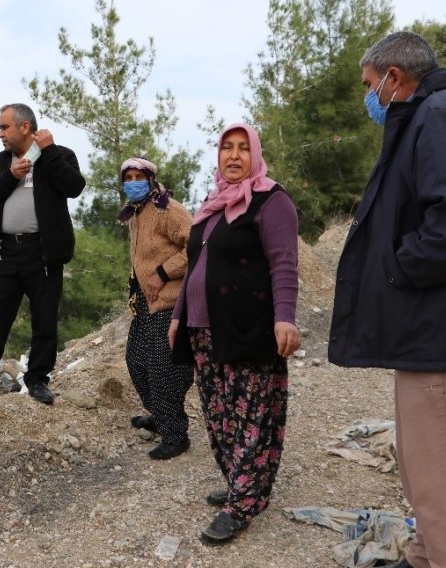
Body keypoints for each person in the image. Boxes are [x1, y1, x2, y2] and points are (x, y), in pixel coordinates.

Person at [329, 31, 446, 568]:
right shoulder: (429, 120)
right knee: (425, 468)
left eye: (370, 85)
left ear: (394, 77)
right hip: (435, 334)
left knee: (445, 479)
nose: (369, 97)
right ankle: (425, 558)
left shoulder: (443, 114)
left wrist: (401, 267)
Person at [169, 123, 301, 544]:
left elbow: (284, 263)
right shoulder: (211, 204)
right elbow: (194, 269)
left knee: (251, 417)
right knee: (220, 415)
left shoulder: (271, 201)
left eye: (244, 149)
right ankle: (241, 485)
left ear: (255, 154)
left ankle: (242, 504)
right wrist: (177, 316)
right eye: (227, 148)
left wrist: (285, 317)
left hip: (250, 327)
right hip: (204, 329)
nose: (234, 156)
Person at [0, 103, 85, 405]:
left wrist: (51, 152)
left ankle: (38, 379)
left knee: (44, 320)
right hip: (7, 252)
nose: (0, 134)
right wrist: (10, 175)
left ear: (25, 127)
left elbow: (74, 187)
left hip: (43, 253)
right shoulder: (0, 161)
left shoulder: (59, 154)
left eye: (4, 127)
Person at [119, 156, 194, 460]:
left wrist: (164, 272)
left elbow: (197, 245)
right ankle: (160, 415)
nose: (134, 182)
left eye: (140, 176)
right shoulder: (136, 212)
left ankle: (176, 434)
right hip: (145, 302)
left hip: (170, 300)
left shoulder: (168, 210)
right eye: (129, 177)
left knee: (164, 369)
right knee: (136, 361)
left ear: (150, 179)